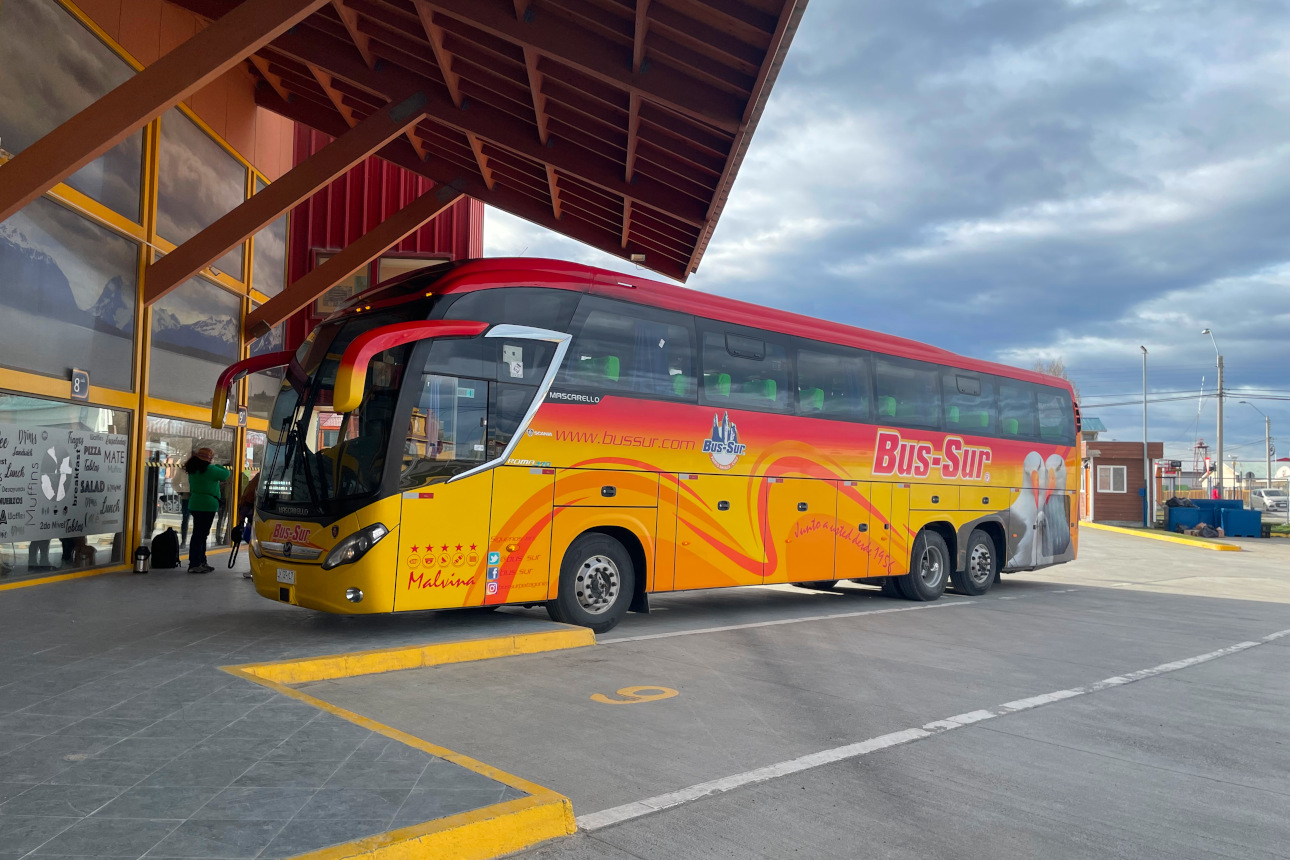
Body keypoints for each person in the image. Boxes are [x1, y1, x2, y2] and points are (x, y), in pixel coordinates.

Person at [182, 447, 230, 574]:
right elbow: (226, 474)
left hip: (195, 503)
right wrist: (219, 465)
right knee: (201, 535)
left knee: (199, 534)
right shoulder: (211, 469)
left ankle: (200, 561)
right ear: (209, 459)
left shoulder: (193, 469)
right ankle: (196, 563)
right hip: (207, 505)